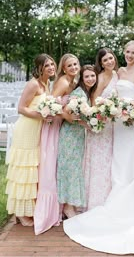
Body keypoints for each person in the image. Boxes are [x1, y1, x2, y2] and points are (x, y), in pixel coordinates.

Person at [63, 41, 134, 254]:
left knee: (131, 158)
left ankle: (132, 204)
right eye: (128, 52)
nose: (131, 55)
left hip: (132, 124)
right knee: (117, 159)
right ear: (123, 53)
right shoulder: (119, 71)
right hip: (117, 124)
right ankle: (114, 196)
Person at [5, 53, 56, 226]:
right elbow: (21, 108)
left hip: (37, 131)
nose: (51, 67)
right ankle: (20, 213)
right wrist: (41, 115)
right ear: (39, 67)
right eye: (47, 65)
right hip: (26, 129)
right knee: (24, 170)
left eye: (52, 64)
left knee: (32, 170)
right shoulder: (33, 84)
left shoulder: (47, 83)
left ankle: (28, 208)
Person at [34, 53, 80, 235]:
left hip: (63, 127)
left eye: (75, 64)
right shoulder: (63, 82)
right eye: (69, 65)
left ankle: (63, 206)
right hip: (54, 127)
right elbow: (51, 105)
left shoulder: (72, 81)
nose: (73, 68)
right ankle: (56, 209)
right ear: (64, 67)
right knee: (54, 167)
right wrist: (67, 115)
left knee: (60, 167)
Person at [57, 65, 98, 218]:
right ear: (82, 78)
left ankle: (71, 204)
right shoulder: (78, 93)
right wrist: (83, 123)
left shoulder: (87, 92)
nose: (90, 79)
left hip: (78, 136)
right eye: (87, 76)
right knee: (70, 169)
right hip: (70, 136)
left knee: (74, 170)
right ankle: (68, 207)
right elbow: (67, 111)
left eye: (93, 76)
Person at [83, 48, 118, 210]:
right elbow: (94, 99)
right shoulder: (102, 77)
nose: (109, 62)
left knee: (110, 161)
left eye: (111, 58)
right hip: (102, 123)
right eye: (105, 60)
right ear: (101, 64)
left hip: (114, 125)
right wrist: (101, 115)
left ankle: (110, 197)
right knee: (99, 160)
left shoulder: (117, 75)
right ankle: (96, 201)